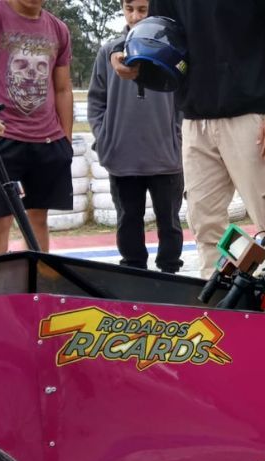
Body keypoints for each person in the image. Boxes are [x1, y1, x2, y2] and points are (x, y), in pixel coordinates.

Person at [110, 0, 265, 276]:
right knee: (205, 224)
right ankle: (224, 292)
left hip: (250, 119)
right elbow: (154, 31)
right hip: (195, 120)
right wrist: (121, 51)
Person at [88, 0, 184, 273]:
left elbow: (184, 99)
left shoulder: (174, 49)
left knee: (170, 220)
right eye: (130, 8)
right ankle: (133, 271)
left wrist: (176, 138)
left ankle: (170, 271)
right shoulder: (110, 52)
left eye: (143, 10)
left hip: (165, 155)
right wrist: (104, 137)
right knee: (128, 219)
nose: (135, 16)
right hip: (122, 155)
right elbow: (96, 102)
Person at [0, 0, 74, 255]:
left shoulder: (58, 30)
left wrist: (66, 142)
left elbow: (62, 88)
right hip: (3, 137)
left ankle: (37, 287)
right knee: (0, 221)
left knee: (38, 218)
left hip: (46, 139)